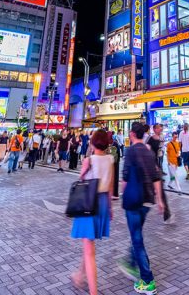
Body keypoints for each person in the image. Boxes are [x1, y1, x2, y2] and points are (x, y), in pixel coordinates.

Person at [117, 122, 164, 294]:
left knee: (137, 239)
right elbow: (156, 177)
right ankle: (130, 263)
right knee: (136, 235)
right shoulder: (148, 151)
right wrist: (160, 201)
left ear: (131, 134)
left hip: (134, 200)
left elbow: (125, 178)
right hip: (147, 201)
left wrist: (124, 195)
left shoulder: (130, 151)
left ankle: (147, 279)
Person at [70, 130, 114, 295]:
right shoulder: (110, 159)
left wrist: (85, 169)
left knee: (89, 250)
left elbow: (81, 179)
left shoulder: (89, 160)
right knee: (88, 244)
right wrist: (110, 208)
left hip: (88, 202)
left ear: (93, 142)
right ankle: (79, 275)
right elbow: (110, 186)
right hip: (102, 202)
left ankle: (94, 292)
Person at [147, 124, 172, 222]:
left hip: (157, 165)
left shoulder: (160, 138)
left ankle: (166, 213)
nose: (160, 129)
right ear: (154, 129)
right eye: (158, 128)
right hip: (153, 166)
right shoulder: (151, 139)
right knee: (157, 189)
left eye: (161, 128)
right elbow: (148, 150)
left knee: (160, 189)